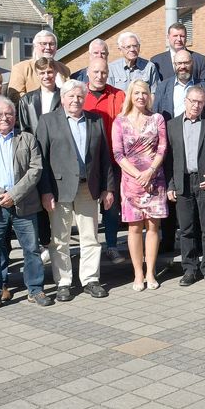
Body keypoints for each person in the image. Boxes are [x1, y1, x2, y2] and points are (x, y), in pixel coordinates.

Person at [0, 97, 53, 313]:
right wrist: (0, 194)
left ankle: (35, 289)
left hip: (23, 203)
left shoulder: (27, 139)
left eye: (9, 114)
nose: (4, 118)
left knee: (31, 250)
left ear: (15, 116)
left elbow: (35, 169)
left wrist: (14, 194)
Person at [37, 80, 117, 301]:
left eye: (79, 96)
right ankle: (63, 282)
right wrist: (45, 191)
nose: (75, 100)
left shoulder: (95, 120)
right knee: (59, 239)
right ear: (62, 98)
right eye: (70, 96)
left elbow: (104, 158)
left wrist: (107, 188)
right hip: (58, 189)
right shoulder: (48, 121)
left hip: (87, 187)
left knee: (90, 237)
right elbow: (40, 160)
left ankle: (90, 279)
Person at [112, 80, 168, 292]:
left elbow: (162, 147)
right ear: (130, 95)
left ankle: (151, 272)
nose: (141, 97)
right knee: (134, 228)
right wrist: (137, 175)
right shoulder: (120, 121)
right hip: (131, 183)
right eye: (137, 93)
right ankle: (138, 273)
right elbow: (118, 154)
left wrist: (150, 172)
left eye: (144, 93)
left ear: (149, 96)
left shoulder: (157, 119)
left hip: (154, 181)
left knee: (153, 227)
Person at [166, 86, 205, 287]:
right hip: (183, 182)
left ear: (204, 103)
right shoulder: (172, 125)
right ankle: (189, 268)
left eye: (200, 102)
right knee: (186, 229)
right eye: (193, 101)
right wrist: (171, 184)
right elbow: (169, 159)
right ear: (185, 101)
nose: (196, 105)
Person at [82, 58, 127, 264]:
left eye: (103, 72)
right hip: (88, 161)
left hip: (113, 159)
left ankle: (111, 245)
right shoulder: (79, 94)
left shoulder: (119, 95)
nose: (100, 76)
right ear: (88, 73)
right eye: (96, 72)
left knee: (111, 205)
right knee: (88, 207)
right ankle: (89, 247)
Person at [17, 57, 61, 258]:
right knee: (39, 202)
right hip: (36, 157)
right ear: (37, 75)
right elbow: (24, 129)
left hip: (58, 157)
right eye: (42, 73)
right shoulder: (27, 100)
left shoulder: (64, 96)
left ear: (55, 72)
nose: (46, 76)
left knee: (58, 203)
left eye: (49, 72)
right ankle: (44, 243)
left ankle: (58, 243)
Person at [153, 49, 205, 121]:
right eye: (179, 63)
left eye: (186, 63)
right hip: (171, 131)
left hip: (198, 130)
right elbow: (156, 117)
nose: (183, 66)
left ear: (192, 63)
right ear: (174, 65)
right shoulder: (162, 87)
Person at [8, 30, 70, 98]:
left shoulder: (64, 69)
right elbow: (15, 96)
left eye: (51, 44)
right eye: (43, 44)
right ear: (35, 46)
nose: (48, 47)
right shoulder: (20, 68)